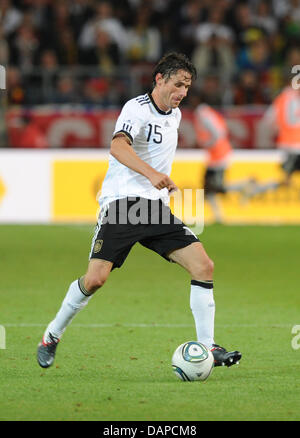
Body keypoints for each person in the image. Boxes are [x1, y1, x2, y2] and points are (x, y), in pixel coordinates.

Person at [37, 52, 241, 370]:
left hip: (155, 209)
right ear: (159, 79)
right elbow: (118, 146)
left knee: (204, 266)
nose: (183, 92)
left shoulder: (175, 115)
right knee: (95, 280)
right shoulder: (136, 109)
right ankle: (52, 334)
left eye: (187, 86)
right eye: (178, 84)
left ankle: (207, 346)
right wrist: (152, 174)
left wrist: (155, 183)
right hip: (123, 205)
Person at [193, 99, 258, 222]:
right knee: (208, 188)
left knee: (217, 187)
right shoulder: (207, 113)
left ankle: (244, 185)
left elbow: (218, 132)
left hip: (218, 156)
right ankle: (218, 217)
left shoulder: (203, 114)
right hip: (215, 156)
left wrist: (208, 143)